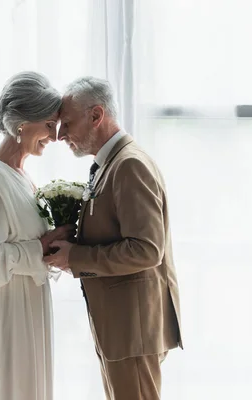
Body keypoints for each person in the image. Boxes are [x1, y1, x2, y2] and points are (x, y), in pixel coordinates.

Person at [44, 76, 182, 400]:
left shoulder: (129, 165)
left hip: (133, 331)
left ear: (96, 116)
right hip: (122, 328)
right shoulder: (111, 164)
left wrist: (75, 259)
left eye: (67, 124)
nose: (60, 135)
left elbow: (147, 250)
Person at [0, 71, 74, 400]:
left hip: (26, 309)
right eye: (48, 125)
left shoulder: (21, 177)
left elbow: (24, 246)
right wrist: (38, 247)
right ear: (23, 123)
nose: (54, 136)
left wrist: (53, 246)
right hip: (4, 313)